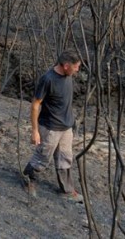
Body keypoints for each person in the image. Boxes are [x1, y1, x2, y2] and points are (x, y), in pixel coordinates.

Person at [23, 50, 83, 203]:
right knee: (42, 157)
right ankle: (29, 180)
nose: (77, 70)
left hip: (66, 127)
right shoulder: (48, 79)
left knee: (66, 158)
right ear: (66, 66)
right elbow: (35, 104)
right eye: (75, 67)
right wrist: (35, 131)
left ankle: (67, 190)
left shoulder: (68, 76)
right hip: (50, 127)